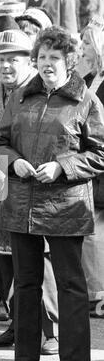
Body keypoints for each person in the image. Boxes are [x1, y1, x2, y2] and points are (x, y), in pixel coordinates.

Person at [0, 25, 104, 361]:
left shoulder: (86, 100)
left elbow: (99, 154)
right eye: (41, 58)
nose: (47, 64)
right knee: (25, 285)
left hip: (67, 206)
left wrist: (61, 166)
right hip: (21, 204)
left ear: (69, 62)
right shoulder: (21, 96)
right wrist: (13, 162)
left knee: (71, 286)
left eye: (54, 58)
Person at [80, 16, 104, 317]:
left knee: (95, 234)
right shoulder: (89, 79)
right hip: (89, 163)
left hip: (99, 164)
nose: (82, 47)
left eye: (87, 42)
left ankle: (98, 296)